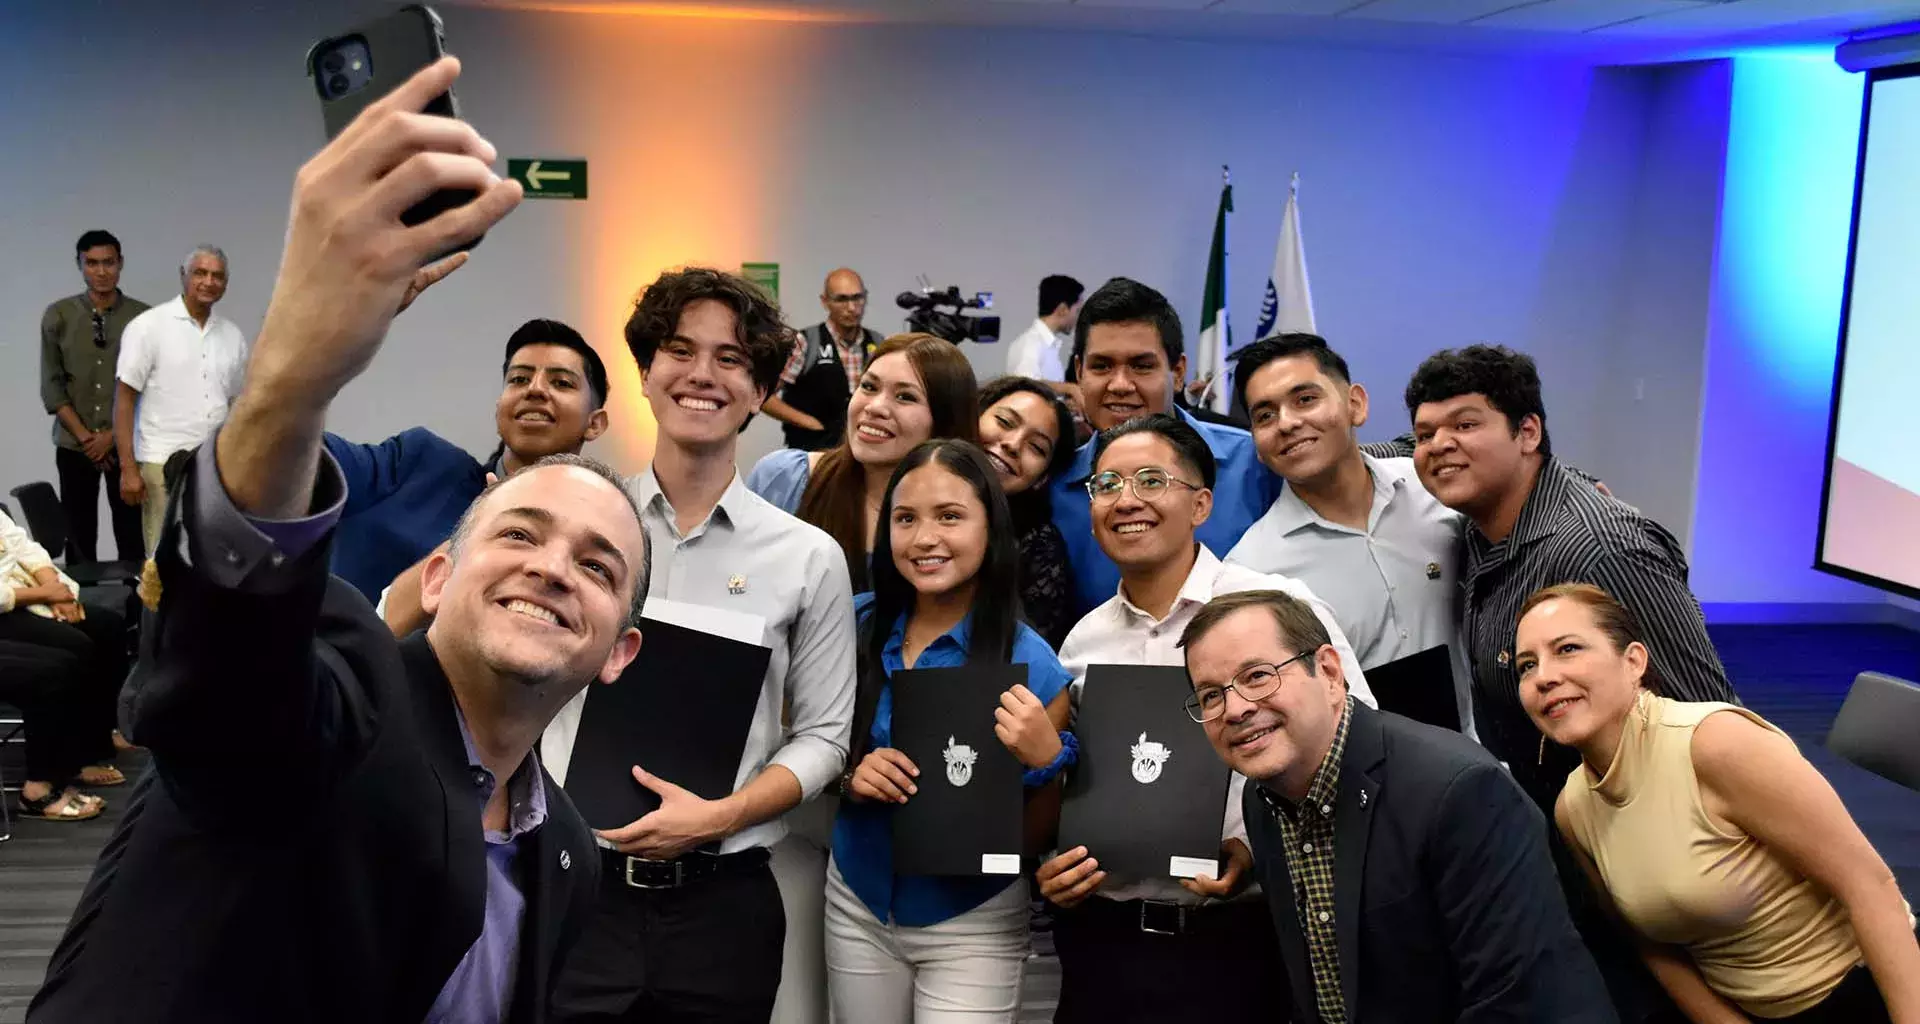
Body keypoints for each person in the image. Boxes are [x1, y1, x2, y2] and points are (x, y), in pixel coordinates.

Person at [29, 58, 642, 1023]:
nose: (552, 567)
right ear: (439, 571)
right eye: (519, 532)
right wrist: (297, 372)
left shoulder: (565, 852)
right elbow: (228, 671)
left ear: (620, 651)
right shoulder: (339, 710)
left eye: (598, 564)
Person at [538, 267, 857, 1023]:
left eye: (732, 358)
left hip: (726, 904)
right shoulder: (574, 526)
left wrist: (721, 816)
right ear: (645, 373)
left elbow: (823, 737)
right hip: (573, 883)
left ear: (758, 390)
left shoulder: (808, 557)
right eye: (681, 350)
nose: (703, 375)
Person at [1033, 413, 1373, 1024]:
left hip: (1241, 940)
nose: (1125, 500)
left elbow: (1361, 750)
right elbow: (1076, 782)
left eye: (1149, 480)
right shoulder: (1084, 640)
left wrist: (1252, 847)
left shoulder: (1276, 608)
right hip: (1103, 946)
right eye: (1105, 485)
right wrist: (1058, 866)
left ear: (1201, 504)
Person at [1181, 589, 1616, 1023]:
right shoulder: (1261, 802)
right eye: (1211, 696)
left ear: (1330, 673)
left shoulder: (1459, 791)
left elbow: (1521, 1004)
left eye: (1257, 676)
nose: (1234, 709)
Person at [1518, 583, 1920, 1024]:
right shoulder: (1572, 809)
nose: (1544, 676)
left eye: (1568, 649)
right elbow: (1651, 946)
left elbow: (1871, 886)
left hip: (1864, 991)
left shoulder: (1715, 744)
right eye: (1527, 666)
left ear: (1633, 661)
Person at [1403, 343, 1736, 808]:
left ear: (1528, 432)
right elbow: (1394, 451)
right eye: (1425, 435)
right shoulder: (1481, 524)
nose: (1438, 444)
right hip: (1557, 818)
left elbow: (1711, 718)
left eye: (1465, 424)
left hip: (1647, 830)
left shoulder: (1603, 549)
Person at [827, 439, 1074, 1021]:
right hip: (856, 898)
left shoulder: (1032, 664)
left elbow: (1033, 840)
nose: (924, 538)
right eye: (905, 518)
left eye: (950, 516)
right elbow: (802, 738)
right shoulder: (854, 623)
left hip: (971, 920)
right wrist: (847, 775)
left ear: (992, 527)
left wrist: (1046, 762)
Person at [1226, 334, 1474, 735]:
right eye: (1265, 415)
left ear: (1355, 404)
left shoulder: (1435, 488)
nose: (1287, 423)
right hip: (1366, 780)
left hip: (1494, 756)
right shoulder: (1252, 572)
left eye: (1305, 399)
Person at [335, 315, 611, 615]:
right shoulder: (418, 463)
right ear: (500, 409)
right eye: (519, 379)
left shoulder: (591, 543)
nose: (535, 390)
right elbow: (300, 456)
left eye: (561, 382)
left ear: (594, 424)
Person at [1049, 278, 1281, 617]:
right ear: (1080, 372)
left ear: (1178, 372)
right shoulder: (1054, 486)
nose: (1120, 385)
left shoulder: (1255, 462)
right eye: (1101, 366)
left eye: (1142, 366)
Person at [747, 333, 978, 591]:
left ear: (944, 419)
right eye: (869, 387)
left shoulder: (964, 522)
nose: (875, 407)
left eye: (905, 397)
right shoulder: (784, 479)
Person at [112, 244, 248, 555]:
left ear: (225, 284)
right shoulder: (148, 327)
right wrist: (128, 469)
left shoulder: (232, 336)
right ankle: (159, 607)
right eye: (200, 273)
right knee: (164, 555)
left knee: (211, 554)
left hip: (213, 466)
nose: (209, 282)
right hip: (161, 460)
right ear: (183, 276)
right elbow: (123, 401)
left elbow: (236, 406)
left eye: (217, 276)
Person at [0, 507, 126, 821]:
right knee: (72, 649)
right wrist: (42, 592)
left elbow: (23, 546)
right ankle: (58, 771)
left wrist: (57, 592)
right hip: (10, 605)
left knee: (107, 626)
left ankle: (92, 745)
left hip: (36, 593)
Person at [40, 229, 149, 565]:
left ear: (120, 264)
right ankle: (82, 613)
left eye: (108, 262)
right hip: (76, 445)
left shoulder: (144, 318)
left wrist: (111, 437)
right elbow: (52, 386)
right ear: (80, 265)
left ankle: (135, 612)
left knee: (133, 534)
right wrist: (89, 439)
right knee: (79, 536)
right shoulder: (58, 315)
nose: (101, 271)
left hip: (127, 447)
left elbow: (152, 390)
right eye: (92, 263)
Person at [976, 376, 1078, 648]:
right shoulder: (908, 487)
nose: (1012, 443)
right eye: (1005, 422)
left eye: (1036, 447)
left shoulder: (1038, 549)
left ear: (1043, 477)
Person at [761, 268, 885, 451]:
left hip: (858, 453)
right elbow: (764, 395)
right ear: (825, 302)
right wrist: (807, 422)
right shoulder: (806, 342)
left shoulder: (876, 343)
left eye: (857, 298)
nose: (851, 307)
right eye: (842, 299)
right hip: (812, 451)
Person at [1004, 275, 1081, 389]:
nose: (1077, 317)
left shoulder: (1048, 345)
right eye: (1077, 311)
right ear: (1063, 310)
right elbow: (1024, 384)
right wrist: (1068, 389)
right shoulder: (1031, 343)